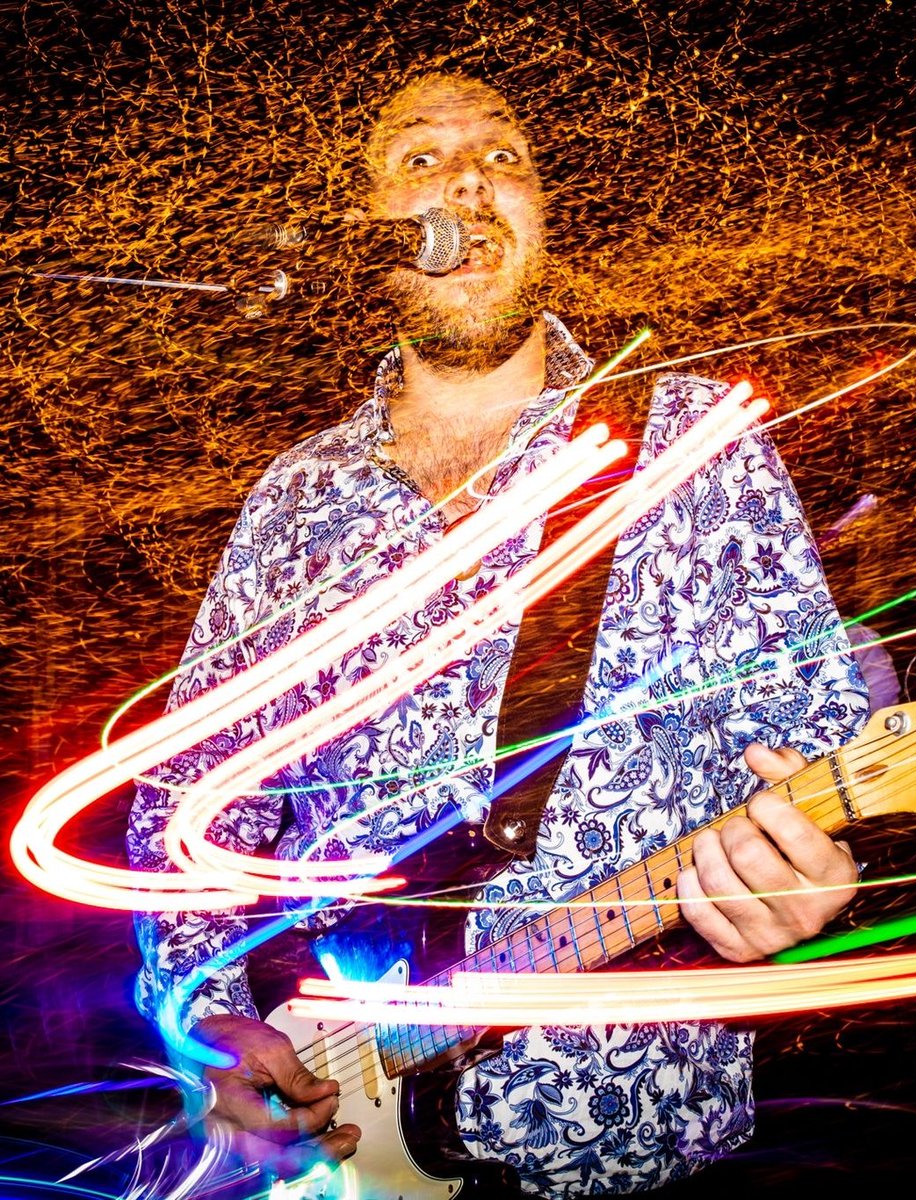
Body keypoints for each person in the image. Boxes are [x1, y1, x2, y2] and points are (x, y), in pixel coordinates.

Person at [126, 71, 870, 1196]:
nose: (467, 182)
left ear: (546, 209)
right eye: (420, 160)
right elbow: (191, 800)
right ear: (360, 230)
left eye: (503, 156)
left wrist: (815, 888)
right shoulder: (295, 495)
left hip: (634, 1156)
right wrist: (216, 1028)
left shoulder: (688, 435)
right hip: (350, 1146)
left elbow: (818, 749)